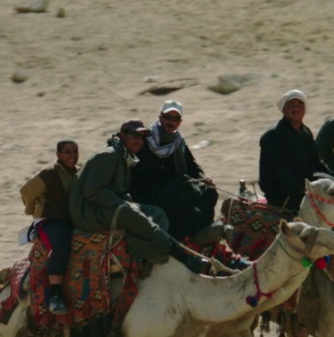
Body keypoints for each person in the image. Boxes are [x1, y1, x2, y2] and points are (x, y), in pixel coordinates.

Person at [69, 120, 209, 274]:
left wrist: (125, 201)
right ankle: (178, 255)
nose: (139, 140)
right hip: (87, 211)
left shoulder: (124, 157)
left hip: (102, 204)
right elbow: (92, 191)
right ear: (123, 135)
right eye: (135, 135)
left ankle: (150, 253)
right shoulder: (108, 155)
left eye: (142, 137)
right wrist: (121, 203)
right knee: (135, 216)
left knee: (157, 213)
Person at [130, 100, 224, 245]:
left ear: (179, 122)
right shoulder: (146, 140)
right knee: (176, 198)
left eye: (175, 119)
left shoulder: (178, 141)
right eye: (168, 118)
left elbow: (192, 166)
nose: (171, 122)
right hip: (148, 190)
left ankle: (204, 230)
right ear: (160, 118)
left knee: (210, 192)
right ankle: (193, 234)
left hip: (175, 185)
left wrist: (203, 179)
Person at [19, 139, 79, 315]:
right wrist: (33, 209)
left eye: (75, 152)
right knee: (62, 245)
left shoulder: (79, 174)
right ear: (58, 155)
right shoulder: (49, 174)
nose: (72, 156)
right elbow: (26, 191)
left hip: (71, 221)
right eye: (67, 152)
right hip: (50, 222)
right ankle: (55, 295)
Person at [258, 89, 324, 211]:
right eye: (291, 105)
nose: (296, 108)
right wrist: (306, 188)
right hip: (284, 196)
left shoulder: (306, 133)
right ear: (283, 109)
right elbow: (278, 172)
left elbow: (316, 163)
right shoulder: (273, 136)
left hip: (306, 189)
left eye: (300, 105)